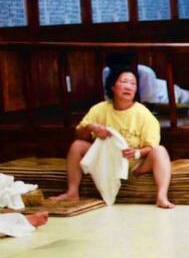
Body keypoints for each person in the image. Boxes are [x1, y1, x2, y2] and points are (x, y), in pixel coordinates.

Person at [53, 67, 174, 209]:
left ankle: (162, 196)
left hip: (134, 164)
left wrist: (137, 152)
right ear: (113, 87)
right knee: (77, 145)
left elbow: (151, 147)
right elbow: (78, 134)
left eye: (133, 83)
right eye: (124, 81)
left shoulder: (144, 114)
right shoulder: (100, 109)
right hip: (106, 161)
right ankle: (72, 192)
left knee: (160, 150)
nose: (128, 86)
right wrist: (92, 128)